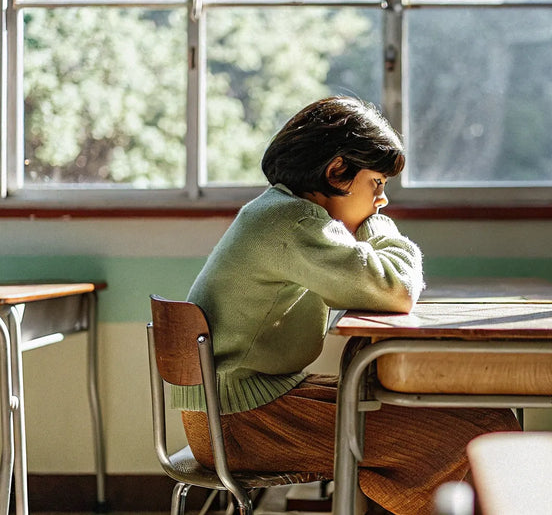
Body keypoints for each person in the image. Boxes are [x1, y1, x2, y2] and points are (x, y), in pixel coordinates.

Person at [175, 96, 520, 515]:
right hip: (242, 424)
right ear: (338, 171)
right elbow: (397, 289)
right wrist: (378, 227)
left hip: (235, 410)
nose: (382, 200)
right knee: (484, 428)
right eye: (377, 184)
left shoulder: (278, 212)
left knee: (468, 416)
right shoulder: (294, 221)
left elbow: (366, 286)